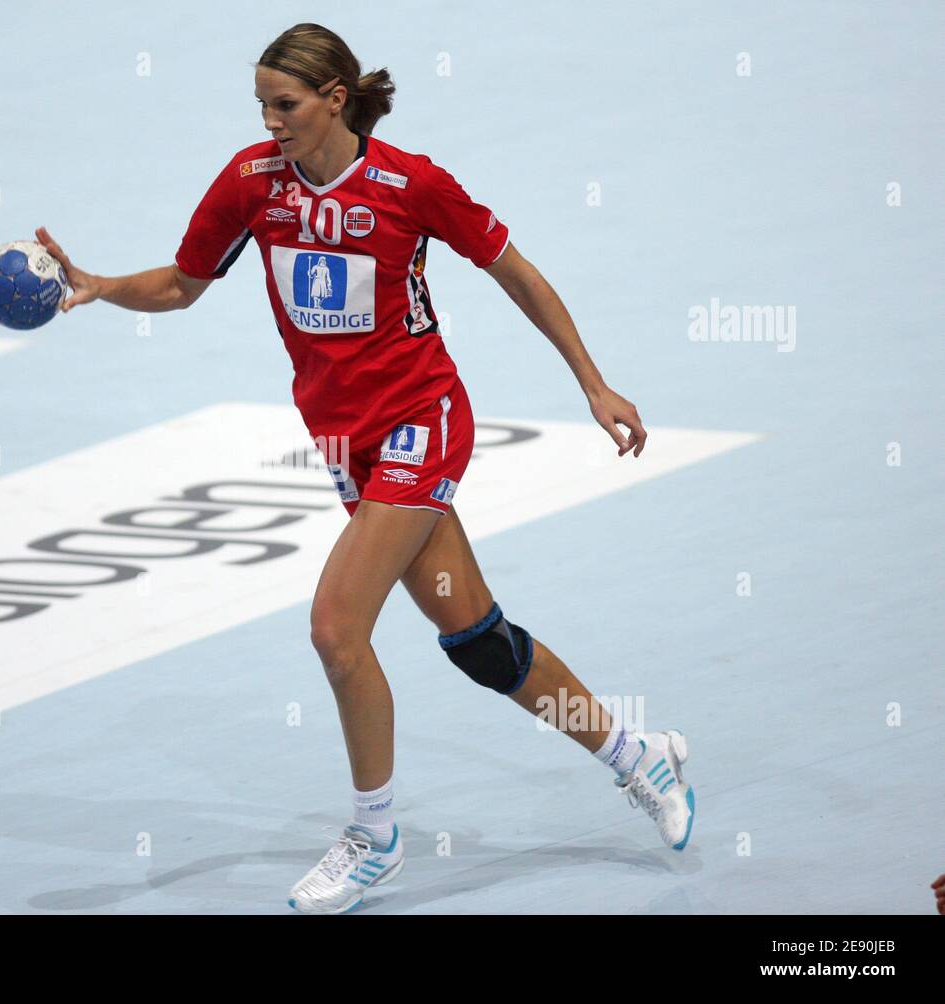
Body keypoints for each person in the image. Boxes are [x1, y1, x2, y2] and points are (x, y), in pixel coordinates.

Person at [37, 22, 694, 915]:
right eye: (261, 105)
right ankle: (636, 756)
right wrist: (102, 285)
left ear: (335, 100)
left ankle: (374, 838)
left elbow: (518, 273)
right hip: (345, 440)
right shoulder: (250, 186)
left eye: (286, 104)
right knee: (476, 641)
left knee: (335, 629)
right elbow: (186, 284)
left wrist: (593, 382)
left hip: (423, 420)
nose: (270, 122)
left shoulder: (409, 184)